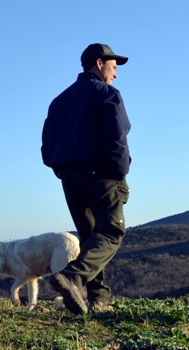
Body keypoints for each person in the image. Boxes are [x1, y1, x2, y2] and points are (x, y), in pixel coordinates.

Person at [41, 43, 132, 314]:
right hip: (101, 174)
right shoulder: (106, 94)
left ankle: (98, 299)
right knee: (112, 231)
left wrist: (60, 168)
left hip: (69, 178)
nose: (115, 74)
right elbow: (117, 134)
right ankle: (72, 277)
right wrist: (119, 171)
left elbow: (46, 145)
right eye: (113, 67)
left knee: (90, 236)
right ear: (99, 63)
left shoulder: (59, 101)